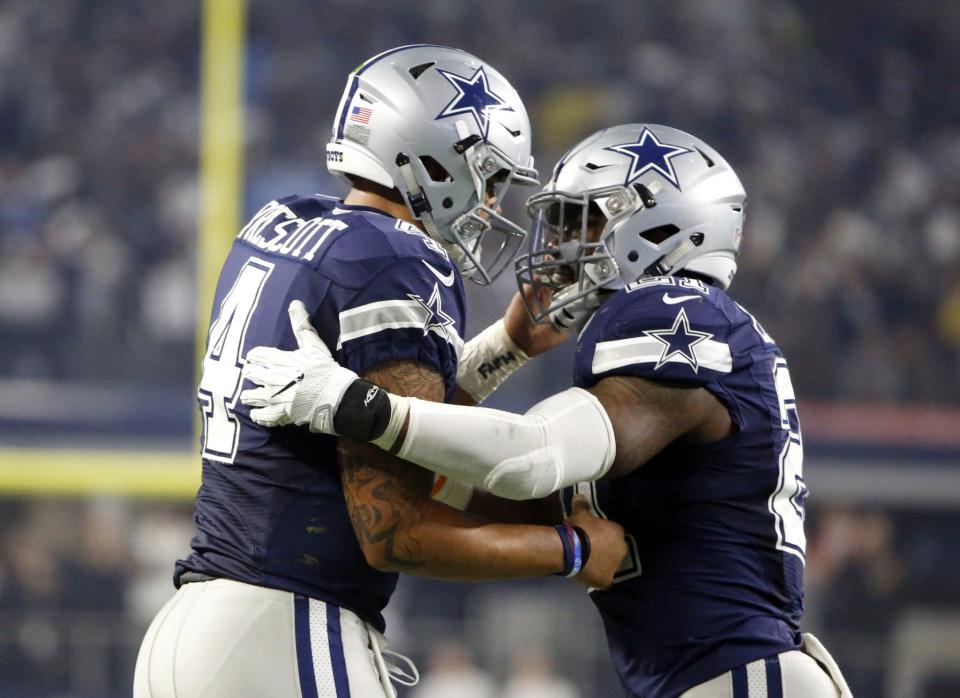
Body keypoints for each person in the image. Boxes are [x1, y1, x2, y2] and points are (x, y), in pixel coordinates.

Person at [241, 124, 855, 697]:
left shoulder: (681, 315)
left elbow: (528, 456)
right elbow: (459, 481)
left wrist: (352, 405)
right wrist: (497, 355)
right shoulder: (676, 353)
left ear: (665, 232)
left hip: (744, 677)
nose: (558, 245)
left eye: (581, 221)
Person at [133, 45, 627, 698]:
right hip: (287, 629)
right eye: (490, 177)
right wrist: (572, 552)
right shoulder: (397, 262)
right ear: (432, 154)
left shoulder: (284, 224)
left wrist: (505, 345)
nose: (492, 202)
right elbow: (394, 530)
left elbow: (395, 433)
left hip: (194, 631)